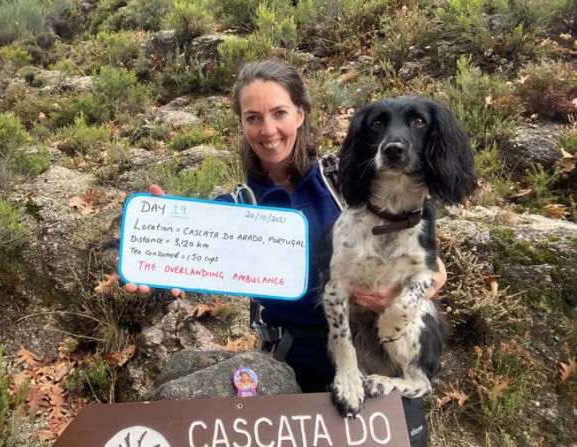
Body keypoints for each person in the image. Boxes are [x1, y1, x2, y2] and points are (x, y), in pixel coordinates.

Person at [129, 60, 446, 446]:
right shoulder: (235, 207)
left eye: (279, 113)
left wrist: (404, 295)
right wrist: (157, 250)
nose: (268, 130)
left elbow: (430, 267)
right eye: (253, 117)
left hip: (380, 360)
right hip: (294, 369)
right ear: (242, 125)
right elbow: (193, 261)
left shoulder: (349, 181)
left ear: (300, 114)